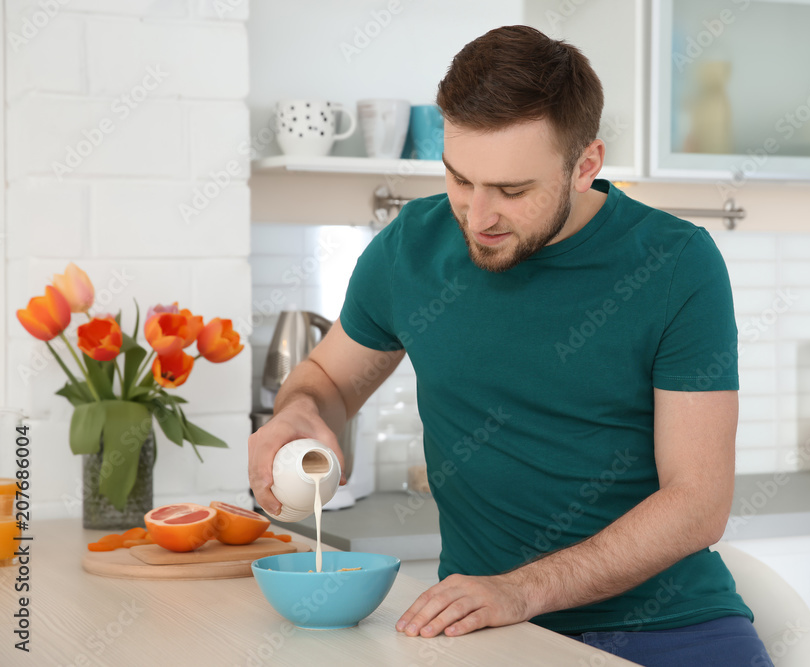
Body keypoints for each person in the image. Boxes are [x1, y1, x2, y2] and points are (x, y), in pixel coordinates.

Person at [249, 25, 773, 667]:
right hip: (486, 633)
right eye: (459, 179)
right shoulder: (410, 247)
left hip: (669, 627)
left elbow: (698, 503)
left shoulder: (676, 263)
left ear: (586, 165)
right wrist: (299, 412)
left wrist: (523, 591)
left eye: (513, 191)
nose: (477, 216)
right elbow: (329, 382)